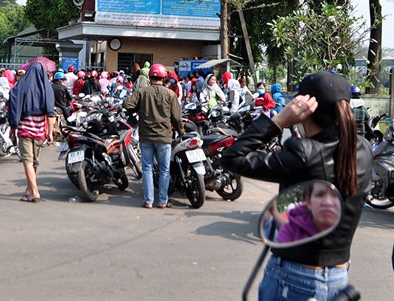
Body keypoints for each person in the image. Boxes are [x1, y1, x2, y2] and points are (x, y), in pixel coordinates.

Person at [221, 71, 372, 300]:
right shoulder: (362, 150)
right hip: (338, 275)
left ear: (304, 109)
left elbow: (232, 157)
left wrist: (279, 121)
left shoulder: (304, 154)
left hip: (295, 278)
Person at [124, 63, 184, 209]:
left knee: (147, 169)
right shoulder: (170, 94)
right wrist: (182, 132)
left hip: (146, 137)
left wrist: (138, 109)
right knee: (164, 170)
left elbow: (127, 104)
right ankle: (163, 201)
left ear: (150, 77)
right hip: (164, 137)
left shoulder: (142, 92)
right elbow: (177, 118)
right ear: (164, 78)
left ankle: (148, 201)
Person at [8, 63, 55, 203]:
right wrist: (51, 132)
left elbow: (14, 107)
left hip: (25, 129)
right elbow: (51, 114)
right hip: (40, 131)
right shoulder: (47, 88)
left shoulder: (20, 87)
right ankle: (29, 190)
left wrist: (13, 127)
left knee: (27, 161)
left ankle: (34, 191)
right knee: (34, 162)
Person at [274, 182, 342, 244]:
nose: (328, 202)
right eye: (320, 195)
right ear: (308, 202)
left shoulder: (343, 233)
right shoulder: (290, 229)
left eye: (335, 195)